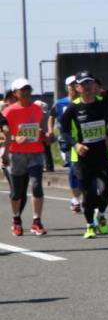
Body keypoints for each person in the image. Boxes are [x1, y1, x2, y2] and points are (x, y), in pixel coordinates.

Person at [57, 72, 108, 239]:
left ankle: (101, 215)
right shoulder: (72, 108)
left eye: (90, 83)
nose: (87, 87)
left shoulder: (104, 104)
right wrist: (76, 145)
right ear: (77, 88)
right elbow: (64, 132)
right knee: (89, 194)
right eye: (83, 84)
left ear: (94, 85)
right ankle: (90, 225)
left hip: (102, 154)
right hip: (82, 157)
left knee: (106, 192)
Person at [2, 79, 49, 236]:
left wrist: (45, 135)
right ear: (15, 93)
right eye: (23, 90)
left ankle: (37, 221)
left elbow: (41, 129)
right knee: (17, 192)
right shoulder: (9, 111)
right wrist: (15, 138)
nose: (27, 92)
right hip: (16, 154)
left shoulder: (37, 109)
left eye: (28, 89)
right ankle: (16, 220)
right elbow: (2, 134)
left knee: (36, 186)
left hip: (36, 152)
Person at [51, 75, 83, 212]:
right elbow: (52, 116)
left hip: (82, 140)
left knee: (84, 169)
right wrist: (50, 131)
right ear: (67, 87)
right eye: (71, 85)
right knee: (73, 168)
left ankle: (83, 196)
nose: (74, 88)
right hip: (66, 141)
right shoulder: (60, 103)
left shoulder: (84, 101)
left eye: (76, 85)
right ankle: (76, 199)